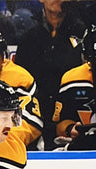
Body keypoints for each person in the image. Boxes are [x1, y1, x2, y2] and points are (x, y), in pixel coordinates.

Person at [14, 0, 86, 151]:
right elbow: (20, 83)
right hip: (36, 118)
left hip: (72, 119)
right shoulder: (29, 38)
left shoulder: (82, 34)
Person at [0, 32, 43, 149]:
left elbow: (32, 120)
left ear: (2, 58)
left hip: (12, 148)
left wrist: (5, 140)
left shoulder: (19, 78)